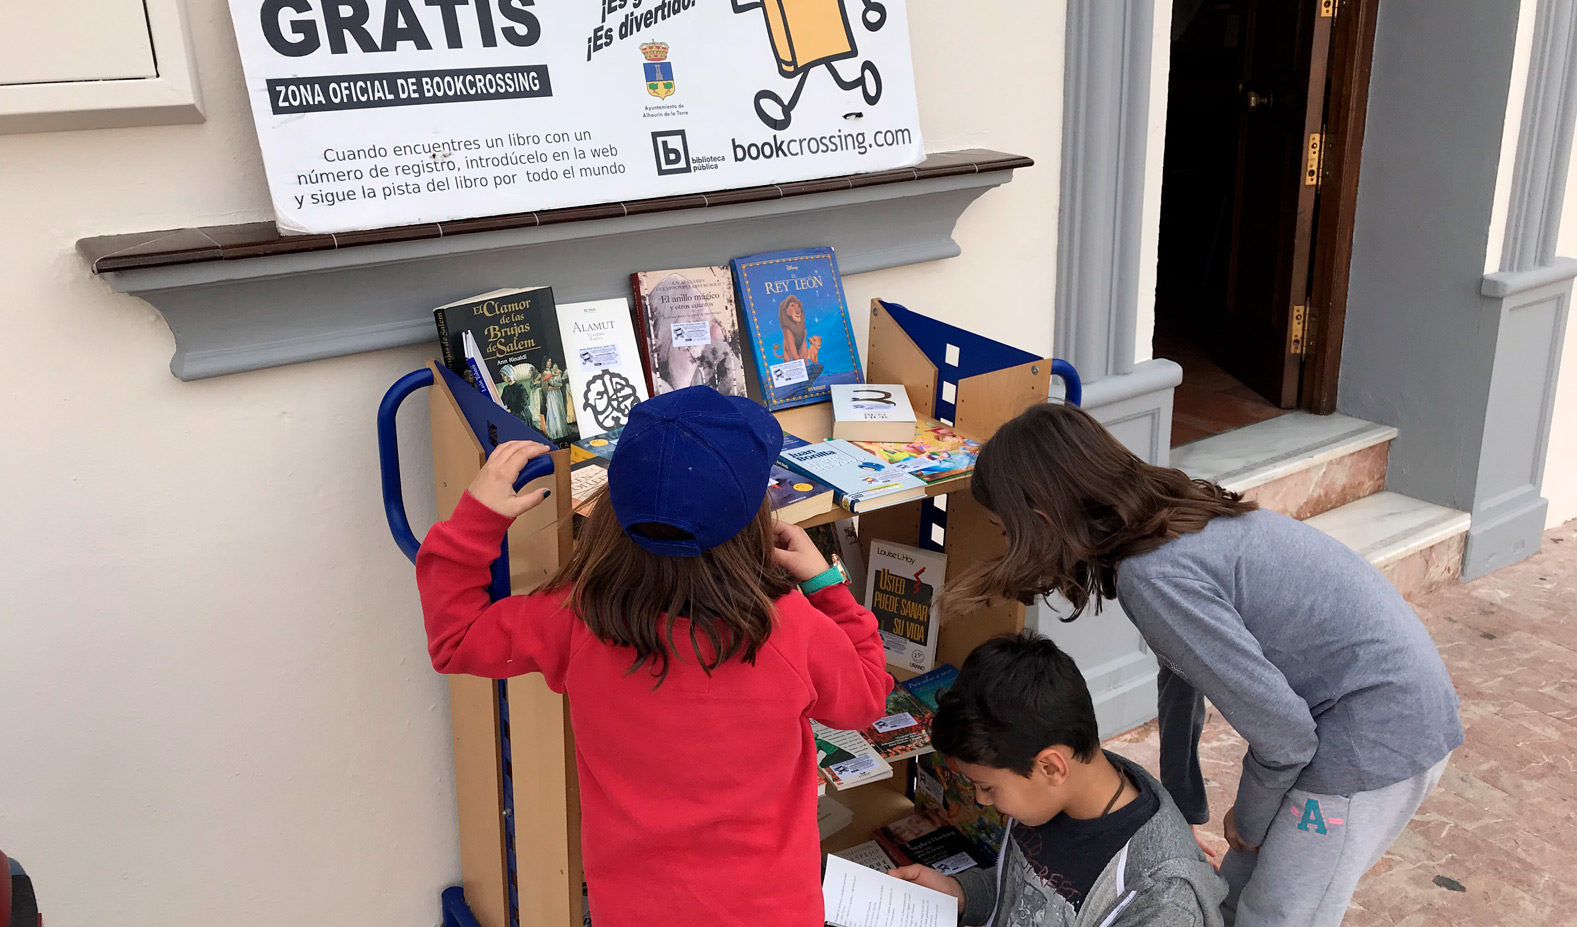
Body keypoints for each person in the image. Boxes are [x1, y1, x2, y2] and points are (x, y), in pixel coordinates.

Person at [939, 402, 1463, 927]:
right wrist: (1179, 817)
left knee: (1274, 914)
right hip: (1362, 705)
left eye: (1005, 530)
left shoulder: (1152, 575)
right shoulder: (1165, 524)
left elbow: (1286, 737)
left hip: (1377, 733)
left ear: (1043, 520)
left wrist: (1251, 824)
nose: (1007, 546)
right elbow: (1182, 675)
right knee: (1230, 896)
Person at [415, 385, 892, 927]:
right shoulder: (791, 631)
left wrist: (477, 519)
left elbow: (455, 640)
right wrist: (828, 584)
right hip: (770, 908)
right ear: (757, 518)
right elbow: (866, 698)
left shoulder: (572, 619)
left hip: (633, 908)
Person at [889, 632, 1224, 927]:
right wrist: (959, 894)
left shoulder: (1164, 899)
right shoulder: (1047, 800)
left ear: (1050, 767)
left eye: (987, 787)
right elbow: (1020, 895)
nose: (981, 800)